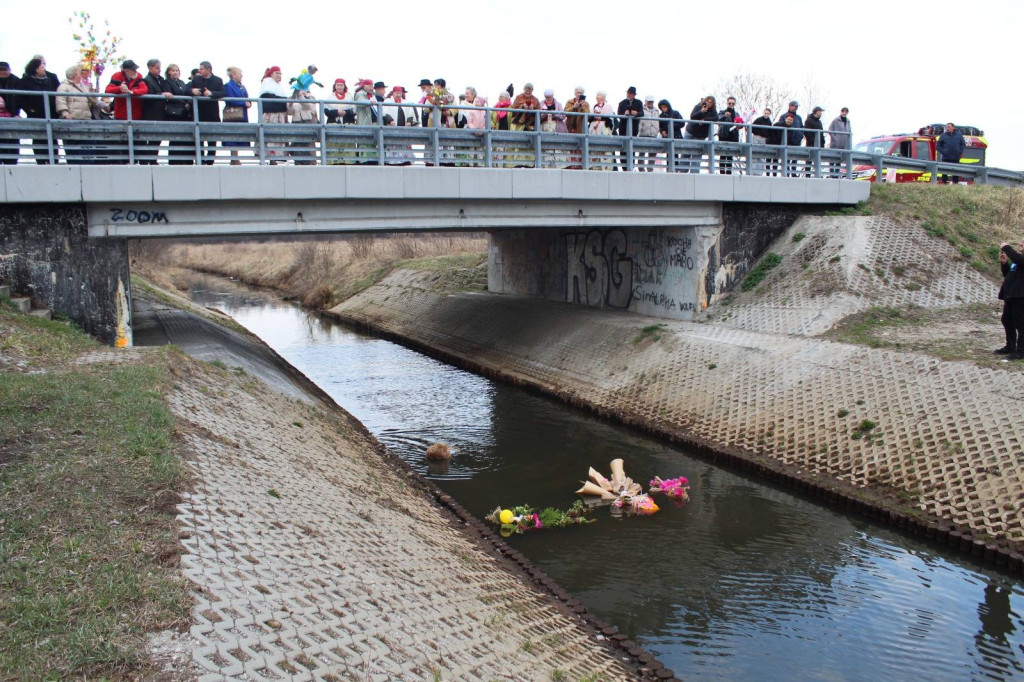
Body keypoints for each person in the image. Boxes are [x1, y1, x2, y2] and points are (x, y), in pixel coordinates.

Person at [105, 59, 148, 163]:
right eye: (132, 69)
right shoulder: (117, 76)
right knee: (122, 140)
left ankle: (135, 161)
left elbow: (144, 89)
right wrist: (120, 88)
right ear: (126, 70)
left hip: (136, 114)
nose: (135, 71)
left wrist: (132, 92)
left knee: (136, 139)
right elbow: (108, 90)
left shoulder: (139, 76)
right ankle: (124, 161)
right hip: (121, 114)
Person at [20, 56, 60, 163]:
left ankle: (54, 162)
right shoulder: (25, 81)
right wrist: (29, 109)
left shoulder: (51, 78)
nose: (44, 67)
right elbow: (21, 98)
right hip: (36, 115)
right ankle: (41, 162)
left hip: (51, 115)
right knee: (38, 139)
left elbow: (58, 94)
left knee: (53, 139)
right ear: (35, 68)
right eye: (42, 65)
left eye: (44, 64)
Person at [187, 60, 226, 164]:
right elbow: (186, 90)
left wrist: (211, 93)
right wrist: (192, 91)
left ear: (208, 69)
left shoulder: (218, 80)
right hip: (199, 114)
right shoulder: (196, 79)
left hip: (212, 115)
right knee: (199, 140)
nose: (199, 70)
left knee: (212, 141)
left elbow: (223, 92)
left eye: (201, 69)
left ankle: (210, 161)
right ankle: (200, 161)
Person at [56, 64, 96, 164]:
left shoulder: (83, 86)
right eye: (79, 73)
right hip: (72, 121)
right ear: (74, 75)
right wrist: (65, 112)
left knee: (87, 147)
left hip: (85, 120)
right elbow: (61, 100)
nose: (81, 75)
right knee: (73, 147)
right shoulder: (64, 87)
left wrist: (93, 93)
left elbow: (92, 100)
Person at [997, 238, 1024, 359]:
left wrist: (1006, 247)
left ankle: (1021, 351)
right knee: (1007, 320)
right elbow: (1009, 275)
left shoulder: (1019, 259)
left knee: (1021, 324)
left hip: (1021, 297)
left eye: (1023, 242)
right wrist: (1004, 264)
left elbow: (1017, 258)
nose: (1021, 244)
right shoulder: (1018, 260)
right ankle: (1010, 346)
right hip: (1011, 296)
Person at [259, 66, 290, 164]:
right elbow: (268, 101)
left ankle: (276, 159)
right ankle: (271, 160)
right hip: (272, 116)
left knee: (278, 139)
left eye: (280, 73)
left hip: (280, 116)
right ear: (271, 74)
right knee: (271, 137)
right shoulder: (267, 84)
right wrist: (283, 102)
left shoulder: (278, 86)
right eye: (277, 73)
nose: (279, 75)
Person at [138, 59, 167, 164]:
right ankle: (148, 160)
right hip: (151, 113)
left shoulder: (160, 79)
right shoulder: (147, 80)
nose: (159, 70)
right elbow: (149, 95)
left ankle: (153, 159)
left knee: (157, 138)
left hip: (159, 113)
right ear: (150, 68)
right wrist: (161, 94)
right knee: (150, 138)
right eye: (157, 68)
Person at [163, 64, 192, 165]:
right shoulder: (167, 82)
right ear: (169, 72)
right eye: (173, 71)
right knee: (175, 137)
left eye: (177, 70)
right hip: (174, 113)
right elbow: (170, 96)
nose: (175, 72)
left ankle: (184, 159)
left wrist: (188, 102)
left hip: (184, 113)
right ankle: (174, 160)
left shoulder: (182, 82)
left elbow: (187, 94)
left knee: (184, 138)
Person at [384, 86, 419, 166]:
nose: (398, 95)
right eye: (397, 93)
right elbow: (384, 112)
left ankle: (406, 159)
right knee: (393, 143)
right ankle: (392, 160)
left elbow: (411, 113)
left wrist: (409, 121)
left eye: (400, 93)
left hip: (404, 127)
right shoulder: (387, 101)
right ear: (393, 93)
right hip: (392, 127)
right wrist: (390, 120)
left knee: (404, 143)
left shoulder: (406, 102)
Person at [223, 67, 251, 165]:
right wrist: (244, 104)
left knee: (239, 135)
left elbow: (247, 97)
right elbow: (230, 100)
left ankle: (236, 157)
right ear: (234, 75)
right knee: (233, 136)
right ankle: (234, 158)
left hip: (242, 114)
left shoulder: (241, 86)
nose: (241, 76)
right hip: (233, 115)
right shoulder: (228, 86)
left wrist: (249, 103)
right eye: (240, 74)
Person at [682, 95, 716, 173]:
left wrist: (704, 120)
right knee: (685, 151)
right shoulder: (698, 106)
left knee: (697, 153)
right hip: (691, 131)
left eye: (711, 102)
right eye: (707, 101)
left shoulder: (713, 111)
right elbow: (692, 116)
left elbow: (715, 118)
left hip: (700, 135)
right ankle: (683, 170)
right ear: (705, 101)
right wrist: (701, 111)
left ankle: (694, 172)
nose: (709, 103)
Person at [510, 83, 540, 167]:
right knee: (518, 143)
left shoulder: (535, 99)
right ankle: (516, 163)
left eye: (530, 90)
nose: (528, 92)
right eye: (527, 90)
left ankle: (529, 163)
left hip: (530, 124)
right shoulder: (518, 97)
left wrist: (533, 108)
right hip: (519, 124)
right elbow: (513, 109)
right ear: (524, 89)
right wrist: (522, 106)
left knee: (529, 144)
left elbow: (539, 111)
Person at [617, 86, 643, 170]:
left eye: (630, 93)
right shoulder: (622, 103)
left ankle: (631, 166)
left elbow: (642, 113)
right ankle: (624, 167)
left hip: (634, 128)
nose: (629, 95)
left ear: (634, 95)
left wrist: (636, 113)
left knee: (632, 148)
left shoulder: (639, 103)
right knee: (623, 147)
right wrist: (625, 114)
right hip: (623, 128)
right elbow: (619, 114)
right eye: (628, 93)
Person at [588, 90, 615, 170]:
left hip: (604, 128)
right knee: (593, 148)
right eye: (597, 95)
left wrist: (600, 117)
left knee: (605, 148)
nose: (597, 96)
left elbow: (609, 118)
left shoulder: (608, 106)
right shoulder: (593, 106)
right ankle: (594, 166)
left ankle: (606, 167)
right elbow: (590, 117)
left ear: (603, 97)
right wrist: (595, 117)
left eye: (599, 95)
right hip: (594, 129)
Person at [657, 99, 683, 171]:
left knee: (676, 153)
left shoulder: (675, 113)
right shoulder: (661, 116)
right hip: (667, 137)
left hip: (676, 137)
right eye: (662, 108)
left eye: (665, 107)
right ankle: (669, 169)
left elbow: (682, 123)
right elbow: (660, 126)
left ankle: (676, 169)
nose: (663, 109)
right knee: (669, 154)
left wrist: (671, 126)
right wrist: (662, 131)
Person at [637, 95, 660, 172]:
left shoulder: (656, 111)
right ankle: (641, 168)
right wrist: (639, 132)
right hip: (644, 133)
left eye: (652, 101)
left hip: (653, 134)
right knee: (642, 152)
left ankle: (650, 168)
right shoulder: (642, 110)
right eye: (649, 101)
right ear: (646, 102)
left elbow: (658, 121)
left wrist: (658, 130)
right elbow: (640, 122)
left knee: (653, 152)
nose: (650, 103)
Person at [827, 106, 852, 178]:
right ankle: (832, 174)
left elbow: (849, 132)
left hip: (843, 145)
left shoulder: (848, 121)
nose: (844, 113)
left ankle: (836, 174)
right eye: (843, 111)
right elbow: (830, 130)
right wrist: (835, 139)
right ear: (841, 112)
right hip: (835, 144)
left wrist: (847, 142)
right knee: (832, 159)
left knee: (839, 159)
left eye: (846, 112)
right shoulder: (836, 120)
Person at [717, 101, 740, 174]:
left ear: (735, 104)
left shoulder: (736, 114)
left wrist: (740, 124)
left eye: (733, 103)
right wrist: (725, 116)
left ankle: (729, 171)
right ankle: (722, 172)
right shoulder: (722, 112)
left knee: (730, 155)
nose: (731, 105)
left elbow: (739, 126)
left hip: (733, 136)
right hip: (723, 135)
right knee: (723, 154)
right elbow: (718, 121)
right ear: (727, 103)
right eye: (729, 103)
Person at [751, 107, 774, 176]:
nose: (766, 114)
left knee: (761, 155)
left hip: (763, 139)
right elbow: (752, 127)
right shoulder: (759, 119)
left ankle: (759, 173)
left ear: (770, 114)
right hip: (756, 137)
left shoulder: (769, 122)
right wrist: (758, 133)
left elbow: (770, 132)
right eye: (765, 113)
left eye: (768, 113)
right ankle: (753, 171)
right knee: (754, 154)